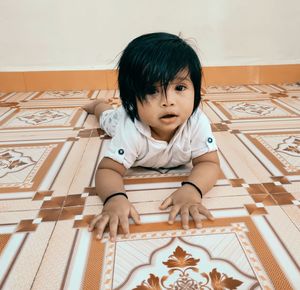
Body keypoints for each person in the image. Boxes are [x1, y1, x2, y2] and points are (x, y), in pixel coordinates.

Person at [84, 32, 220, 242]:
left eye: (180, 87)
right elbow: (108, 169)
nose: (168, 101)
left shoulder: (197, 122)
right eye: (151, 90)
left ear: (197, 88)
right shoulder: (131, 127)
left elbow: (209, 163)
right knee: (107, 118)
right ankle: (97, 105)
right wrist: (114, 198)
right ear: (131, 99)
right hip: (119, 117)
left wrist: (193, 190)